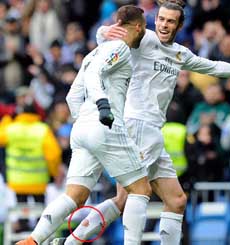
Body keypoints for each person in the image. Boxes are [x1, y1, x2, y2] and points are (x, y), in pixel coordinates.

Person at [54, 1, 230, 245]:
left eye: (170, 21)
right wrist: (101, 32)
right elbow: (110, 41)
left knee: (177, 200)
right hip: (136, 124)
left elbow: (213, 67)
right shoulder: (143, 39)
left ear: (180, 25)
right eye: (160, 19)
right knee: (123, 199)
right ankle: (72, 242)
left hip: (152, 132)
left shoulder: (180, 53)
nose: (163, 25)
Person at [16, 5, 150, 245]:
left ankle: (34, 240)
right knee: (141, 190)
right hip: (105, 124)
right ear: (139, 27)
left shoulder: (92, 54)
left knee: (75, 196)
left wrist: (84, 122)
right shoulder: (119, 48)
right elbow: (94, 75)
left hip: (83, 128)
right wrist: (102, 106)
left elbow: (71, 96)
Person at [0, 100, 62, 232]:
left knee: (21, 206)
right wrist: (54, 172)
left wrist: (6, 119)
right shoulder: (43, 130)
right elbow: (54, 155)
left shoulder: (11, 128)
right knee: (40, 209)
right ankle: (41, 231)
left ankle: (22, 228)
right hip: (39, 181)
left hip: (17, 182)